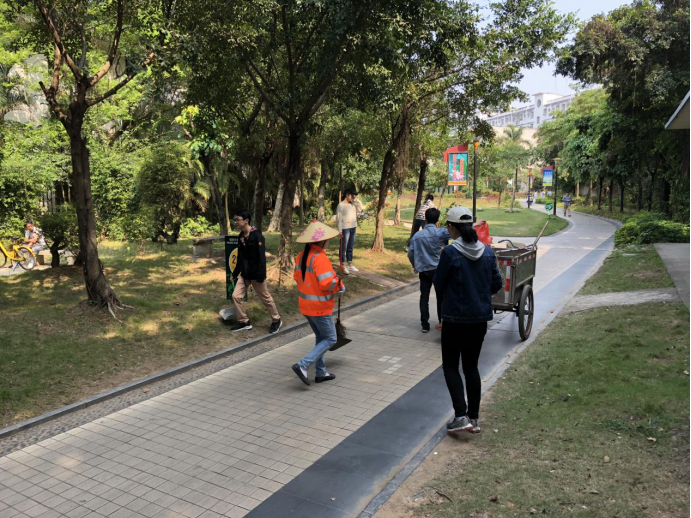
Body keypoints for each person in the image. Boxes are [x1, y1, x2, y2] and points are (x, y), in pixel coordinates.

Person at [434, 206, 502, 434]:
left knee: (450, 366)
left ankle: (461, 416)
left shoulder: (450, 253)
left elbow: (438, 283)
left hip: (454, 320)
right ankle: (474, 417)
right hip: (479, 319)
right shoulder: (488, 252)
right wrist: (479, 294)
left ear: (451, 227)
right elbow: (496, 284)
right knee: (471, 367)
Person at [292, 220, 345, 386]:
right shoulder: (320, 258)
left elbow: (297, 277)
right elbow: (327, 283)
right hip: (320, 308)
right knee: (330, 339)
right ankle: (303, 365)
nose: (328, 241)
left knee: (321, 337)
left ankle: (321, 372)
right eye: (327, 239)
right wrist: (340, 284)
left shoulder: (301, 255)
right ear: (322, 241)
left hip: (306, 305)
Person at [230, 209, 282, 334]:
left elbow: (261, 258)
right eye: (234, 220)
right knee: (236, 296)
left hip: (256, 274)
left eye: (237, 220)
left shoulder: (257, 235)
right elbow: (240, 257)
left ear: (246, 220)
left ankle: (276, 320)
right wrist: (235, 273)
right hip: (245, 274)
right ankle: (244, 321)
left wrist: (261, 275)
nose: (235, 222)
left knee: (265, 298)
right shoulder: (241, 236)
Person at [407, 208, 450, 333]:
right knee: (441, 297)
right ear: (437, 220)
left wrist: (416, 265)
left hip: (424, 270)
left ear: (425, 219)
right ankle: (442, 322)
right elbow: (457, 232)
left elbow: (410, 253)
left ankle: (425, 325)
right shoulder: (442, 232)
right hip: (439, 270)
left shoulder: (417, 236)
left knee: (424, 297)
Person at [336, 188, 364, 275]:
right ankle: (342, 265)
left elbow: (361, 209)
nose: (353, 197)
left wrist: (358, 201)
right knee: (343, 247)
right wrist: (340, 230)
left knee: (350, 247)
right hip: (345, 228)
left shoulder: (352, 205)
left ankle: (350, 264)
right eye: (352, 195)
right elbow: (338, 219)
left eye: (354, 196)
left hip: (353, 227)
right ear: (347, 195)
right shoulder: (341, 205)